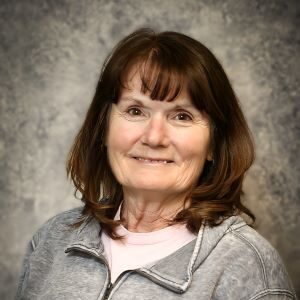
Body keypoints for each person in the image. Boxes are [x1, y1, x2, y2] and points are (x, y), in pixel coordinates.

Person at [16, 28, 296, 300]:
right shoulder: (53, 240)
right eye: (135, 111)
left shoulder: (247, 267)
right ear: (104, 127)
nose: (154, 137)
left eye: (182, 116)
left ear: (213, 143)